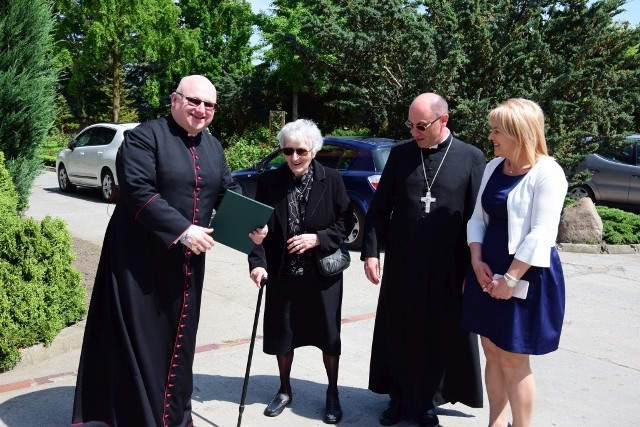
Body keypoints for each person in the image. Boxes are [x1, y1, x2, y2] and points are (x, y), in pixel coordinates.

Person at [71, 75, 266, 426]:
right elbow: (137, 190)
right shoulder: (143, 137)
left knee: (180, 342)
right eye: (194, 101)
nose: (202, 110)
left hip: (188, 264)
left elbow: (227, 189)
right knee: (142, 342)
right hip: (138, 261)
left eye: (209, 105)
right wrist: (182, 229)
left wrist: (253, 222)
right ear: (175, 99)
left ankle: (174, 415)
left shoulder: (213, 146)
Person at [361, 93, 485, 426]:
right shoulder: (401, 155)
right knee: (399, 329)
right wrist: (371, 252)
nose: (414, 131)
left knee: (438, 332)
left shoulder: (471, 157)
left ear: (443, 120)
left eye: (421, 125)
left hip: (449, 265)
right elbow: (378, 209)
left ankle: (429, 399)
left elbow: (477, 218)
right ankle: (397, 397)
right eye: (411, 125)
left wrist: (472, 268)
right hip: (403, 263)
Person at [462, 98, 567, 427]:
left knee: (513, 358)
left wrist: (509, 279)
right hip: (487, 270)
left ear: (518, 133)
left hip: (524, 275)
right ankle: (496, 421)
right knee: (491, 350)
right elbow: (478, 218)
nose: (490, 136)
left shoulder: (547, 173)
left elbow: (541, 233)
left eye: (496, 131)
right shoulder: (495, 167)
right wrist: (476, 257)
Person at [248, 119, 355, 424]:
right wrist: (257, 263)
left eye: (301, 151)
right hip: (283, 273)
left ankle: (332, 392)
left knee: (328, 335)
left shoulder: (332, 179)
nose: (294, 157)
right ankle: (284, 390)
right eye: (287, 150)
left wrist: (319, 238)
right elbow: (257, 228)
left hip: (322, 275)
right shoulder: (270, 182)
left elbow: (346, 221)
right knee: (284, 334)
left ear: (314, 150)